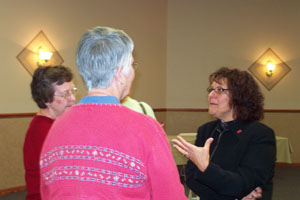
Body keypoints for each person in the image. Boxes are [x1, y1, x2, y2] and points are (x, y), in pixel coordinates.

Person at [39, 26, 186, 200]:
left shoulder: (57, 128)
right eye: (131, 65)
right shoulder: (145, 128)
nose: (133, 71)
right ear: (119, 73)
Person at [173, 67, 276, 200]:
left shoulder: (260, 135)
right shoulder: (206, 130)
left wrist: (206, 168)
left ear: (240, 96)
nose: (210, 95)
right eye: (211, 89)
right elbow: (192, 179)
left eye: (220, 90)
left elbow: (244, 184)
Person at [23, 66, 76, 200]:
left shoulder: (56, 124)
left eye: (72, 91)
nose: (72, 98)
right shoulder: (43, 131)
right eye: (65, 94)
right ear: (46, 100)